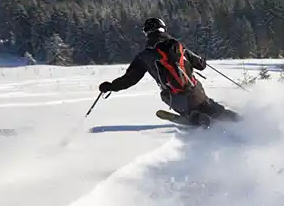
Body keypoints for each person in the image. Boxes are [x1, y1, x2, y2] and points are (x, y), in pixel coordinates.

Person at [98, 17, 239, 127]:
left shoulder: (144, 56)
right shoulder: (178, 45)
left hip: (174, 97)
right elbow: (201, 65)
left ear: (146, 33)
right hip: (196, 91)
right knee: (212, 108)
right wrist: (202, 59)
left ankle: (195, 117)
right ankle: (241, 121)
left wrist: (111, 86)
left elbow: (129, 79)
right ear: (163, 28)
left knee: (178, 103)